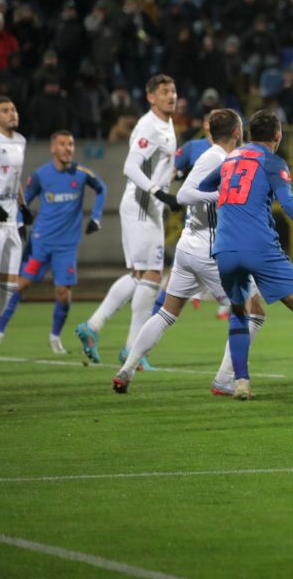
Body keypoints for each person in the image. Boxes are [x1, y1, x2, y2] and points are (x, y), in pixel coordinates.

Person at [193, 110, 293, 402]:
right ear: (278, 136)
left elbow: (203, 187)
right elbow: (288, 202)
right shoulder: (273, 162)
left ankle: (241, 384)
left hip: (224, 249)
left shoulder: (230, 160)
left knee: (240, 312)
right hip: (259, 247)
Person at [111, 109, 268, 395]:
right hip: (210, 250)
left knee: (167, 314)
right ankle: (223, 380)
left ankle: (127, 369)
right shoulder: (217, 158)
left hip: (189, 246)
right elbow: (183, 195)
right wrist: (222, 196)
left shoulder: (213, 156)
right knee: (252, 311)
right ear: (236, 132)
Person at [76, 75, 181, 368]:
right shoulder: (149, 125)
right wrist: (158, 191)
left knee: (141, 276)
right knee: (150, 276)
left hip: (150, 207)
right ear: (150, 97)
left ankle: (93, 327)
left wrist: (175, 179)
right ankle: (132, 350)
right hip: (141, 206)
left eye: (173, 91)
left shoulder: (166, 123)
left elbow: (158, 167)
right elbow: (130, 166)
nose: (171, 96)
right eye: (164, 92)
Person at [0, 131, 105, 352]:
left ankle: (55, 336)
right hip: (40, 244)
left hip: (66, 246)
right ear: (53, 148)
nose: (68, 148)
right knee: (20, 285)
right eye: (63, 144)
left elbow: (101, 189)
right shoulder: (40, 175)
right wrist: (20, 223)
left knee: (63, 293)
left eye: (71, 144)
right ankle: (0, 331)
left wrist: (96, 217)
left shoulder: (81, 173)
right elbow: (24, 200)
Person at [0, 97, 28, 342]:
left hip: (11, 220)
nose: (12, 113)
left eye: (14, 108)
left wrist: (23, 206)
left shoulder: (20, 141)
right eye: (6, 110)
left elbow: (16, 177)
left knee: (9, 285)